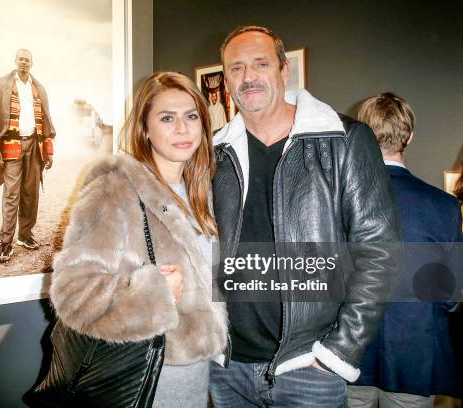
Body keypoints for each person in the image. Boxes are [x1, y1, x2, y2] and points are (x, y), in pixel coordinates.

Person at [210, 26, 401, 407]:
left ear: (283, 71)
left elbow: (380, 252)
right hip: (228, 367)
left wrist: (336, 353)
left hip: (308, 367)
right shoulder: (214, 152)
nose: (248, 77)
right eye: (236, 68)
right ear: (227, 80)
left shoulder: (344, 140)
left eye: (260, 64)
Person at [49, 72, 228, 407]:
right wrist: (154, 292)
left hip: (198, 377)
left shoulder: (205, 194)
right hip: (143, 379)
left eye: (191, 116)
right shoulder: (115, 189)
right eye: (167, 118)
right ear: (145, 129)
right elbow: (71, 293)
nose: (182, 128)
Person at [347, 92, 463, 407]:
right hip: (414, 360)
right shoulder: (444, 206)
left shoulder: (338, 202)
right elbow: (450, 297)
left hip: (348, 358)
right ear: (410, 137)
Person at [0, 48, 56, 263]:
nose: (24, 62)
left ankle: (25, 235)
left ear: (32, 63)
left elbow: (46, 122)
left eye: (27, 60)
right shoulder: (3, 84)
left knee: (31, 193)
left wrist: (48, 151)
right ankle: (5, 243)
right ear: (15, 61)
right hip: (11, 144)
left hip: (34, 144)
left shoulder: (38, 87)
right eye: (20, 59)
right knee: (11, 194)